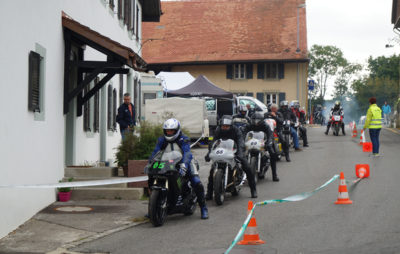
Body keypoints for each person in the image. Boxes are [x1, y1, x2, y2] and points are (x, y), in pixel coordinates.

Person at [148, 118, 209, 219]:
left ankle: (203, 207)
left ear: (177, 130)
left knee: (196, 182)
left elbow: (187, 152)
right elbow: (156, 152)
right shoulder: (162, 139)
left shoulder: (183, 138)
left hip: (185, 162)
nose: (169, 132)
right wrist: (150, 162)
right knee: (152, 178)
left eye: (171, 131)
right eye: (167, 131)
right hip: (168, 162)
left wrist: (184, 164)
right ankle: (153, 208)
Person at [205, 115, 258, 198]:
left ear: (231, 126)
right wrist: (209, 153)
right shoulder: (218, 130)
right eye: (223, 126)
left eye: (227, 126)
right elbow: (213, 142)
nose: (224, 128)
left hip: (235, 150)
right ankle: (209, 193)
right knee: (213, 170)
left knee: (247, 168)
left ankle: (253, 189)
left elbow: (240, 142)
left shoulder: (237, 131)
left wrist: (240, 154)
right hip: (222, 150)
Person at [246, 112, 279, 181]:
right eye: (254, 120)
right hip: (252, 142)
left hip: (264, 142)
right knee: (240, 155)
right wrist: (242, 140)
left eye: (258, 120)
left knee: (272, 154)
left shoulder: (266, 126)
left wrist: (269, 142)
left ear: (261, 120)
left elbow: (270, 134)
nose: (256, 122)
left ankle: (274, 175)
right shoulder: (249, 125)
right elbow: (243, 132)